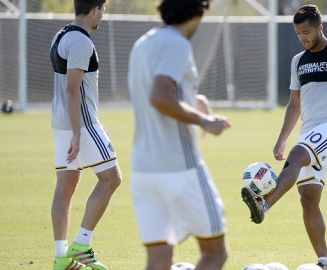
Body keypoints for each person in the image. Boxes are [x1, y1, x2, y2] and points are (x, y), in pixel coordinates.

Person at [241, 4, 327, 270]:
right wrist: (281, 138)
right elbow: (294, 103)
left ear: (320, 27)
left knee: (298, 156)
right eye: (298, 33)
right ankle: (324, 262)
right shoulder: (298, 61)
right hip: (309, 132)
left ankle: (264, 204)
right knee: (309, 198)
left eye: (307, 31)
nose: (303, 37)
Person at [127, 0, 230, 269]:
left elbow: (161, 91)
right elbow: (159, 95)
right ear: (198, 12)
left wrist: (193, 99)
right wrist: (204, 121)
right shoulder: (178, 44)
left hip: (143, 171)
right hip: (179, 169)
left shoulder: (142, 44)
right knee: (214, 253)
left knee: (159, 259)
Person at [49, 1, 122, 269]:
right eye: (102, 9)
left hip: (60, 124)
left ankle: (61, 257)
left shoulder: (61, 34)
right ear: (94, 10)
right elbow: (72, 89)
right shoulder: (81, 41)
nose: (102, 14)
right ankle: (82, 244)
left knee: (65, 188)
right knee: (112, 179)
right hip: (81, 123)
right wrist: (78, 134)